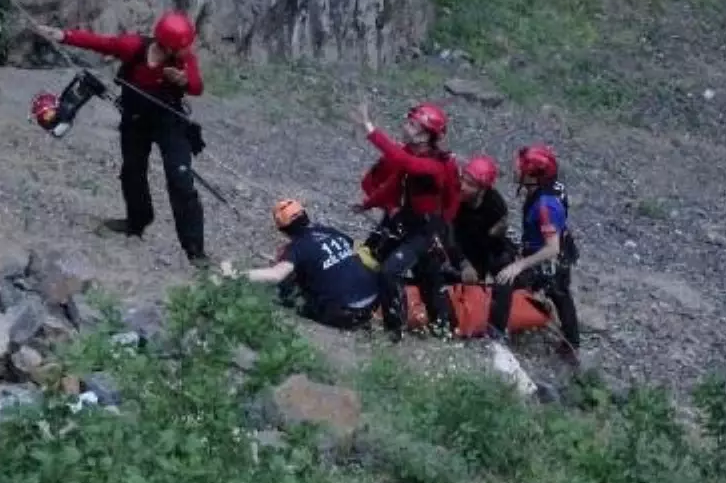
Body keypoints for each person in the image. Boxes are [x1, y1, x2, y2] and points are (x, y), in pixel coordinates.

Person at [32, 11, 208, 265]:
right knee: (132, 171)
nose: (188, 49)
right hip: (135, 118)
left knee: (180, 178)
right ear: (169, 46)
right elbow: (100, 43)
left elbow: (197, 86)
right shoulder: (133, 47)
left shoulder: (184, 60)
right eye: (183, 45)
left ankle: (195, 251)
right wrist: (62, 35)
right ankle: (136, 221)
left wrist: (183, 80)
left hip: (170, 122)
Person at [353, 101, 460, 340]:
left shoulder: (437, 165)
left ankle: (401, 332)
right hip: (409, 222)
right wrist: (369, 204)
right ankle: (431, 327)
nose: (405, 126)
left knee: (395, 271)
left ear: (425, 136)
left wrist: (370, 129)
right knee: (424, 276)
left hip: (427, 230)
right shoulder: (413, 153)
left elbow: (405, 163)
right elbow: (393, 183)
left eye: (412, 125)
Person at [220, 199, 378, 330]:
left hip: (347, 313)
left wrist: (235, 274)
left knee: (286, 290)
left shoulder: (297, 247)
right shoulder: (330, 231)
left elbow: (276, 275)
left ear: (283, 229)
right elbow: (352, 251)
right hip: (375, 299)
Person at [488, 144, 581, 364]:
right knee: (561, 294)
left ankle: (497, 335)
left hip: (550, 255)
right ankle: (572, 343)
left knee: (505, 280)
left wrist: (518, 265)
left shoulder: (545, 206)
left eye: (520, 168)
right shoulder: (549, 188)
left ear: (533, 176)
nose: (515, 170)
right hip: (553, 248)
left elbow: (551, 248)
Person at [448, 154, 516, 284]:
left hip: (482, 245)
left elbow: (494, 244)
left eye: (470, 184)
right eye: (463, 180)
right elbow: (448, 235)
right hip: (458, 242)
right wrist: (463, 263)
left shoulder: (495, 206)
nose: (462, 187)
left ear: (482, 189)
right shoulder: (455, 198)